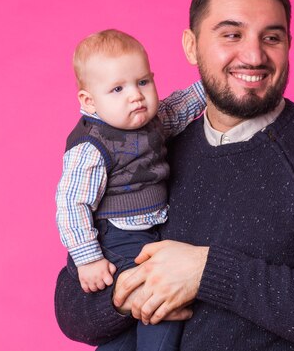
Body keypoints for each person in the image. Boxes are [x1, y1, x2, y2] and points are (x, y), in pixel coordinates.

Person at [55, 0, 294, 351]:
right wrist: (126, 295)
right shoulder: (151, 150)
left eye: (272, 37)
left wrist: (206, 272)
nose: (253, 55)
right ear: (191, 45)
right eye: (231, 34)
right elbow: (70, 308)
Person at [55, 29, 206, 351]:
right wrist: (88, 259)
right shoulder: (92, 146)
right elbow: (72, 204)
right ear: (89, 101)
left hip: (150, 231)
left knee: (123, 334)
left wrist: (212, 85)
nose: (135, 96)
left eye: (143, 82)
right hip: (114, 238)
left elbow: (181, 107)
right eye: (117, 89)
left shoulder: (152, 120)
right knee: (157, 300)